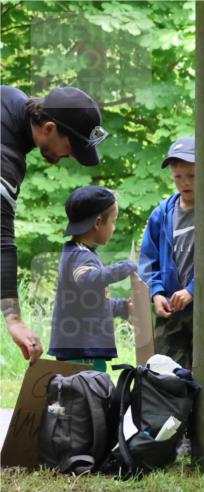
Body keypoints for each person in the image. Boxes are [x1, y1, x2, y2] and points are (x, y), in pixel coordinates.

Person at [1, 85, 107, 363]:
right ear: (49, 128)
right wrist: (14, 320)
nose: (69, 158)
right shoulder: (6, 163)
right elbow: (2, 241)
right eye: (71, 149)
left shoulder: (10, 97)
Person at [47, 186, 135, 372]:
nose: (114, 228)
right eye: (113, 221)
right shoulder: (80, 256)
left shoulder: (78, 253)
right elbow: (88, 280)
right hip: (82, 350)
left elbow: (92, 304)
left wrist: (122, 307)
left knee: (88, 396)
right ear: (97, 223)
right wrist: (123, 268)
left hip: (83, 348)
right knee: (89, 396)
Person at [139, 137, 196, 370]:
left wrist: (193, 290)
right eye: (178, 177)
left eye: (192, 176)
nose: (185, 183)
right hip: (170, 312)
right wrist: (156, 293)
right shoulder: (162, 213)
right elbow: (148, 258)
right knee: (166, 374)